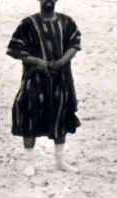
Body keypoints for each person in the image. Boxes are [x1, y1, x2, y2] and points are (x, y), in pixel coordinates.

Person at [6, 0, 82, 174]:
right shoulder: (28, 23)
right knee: (29, 113)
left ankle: (60, 161)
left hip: (61, 78)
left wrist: (63, 61)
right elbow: (16, 49)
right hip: (34, 78)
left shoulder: (66, 22)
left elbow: (74, 44)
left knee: (61, 114)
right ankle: (30, 163)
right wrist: (38, 62)